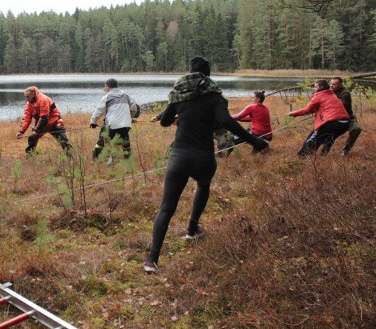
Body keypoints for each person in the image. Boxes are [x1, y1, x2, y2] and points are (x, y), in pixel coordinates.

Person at [143, 56, 268, 274]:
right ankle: (192, 229)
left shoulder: (179, 93)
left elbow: (164, 121)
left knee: (166, 207)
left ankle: (152, 260)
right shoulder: (215, 96)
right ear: (208, 74)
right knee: (203, 186)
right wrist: (254, 140)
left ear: (189, 72)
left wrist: (180, 116)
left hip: (179, 158)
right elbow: (227, 121)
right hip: (203, 157)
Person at [288, 79, 349, 156]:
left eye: (315, 87)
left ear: (321, 87)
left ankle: (301, 157)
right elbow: (326, 107)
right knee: (327, 138)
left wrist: (293, 113)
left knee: (312, 138)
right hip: (345, 124)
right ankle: (321, 158)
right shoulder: (332, 94)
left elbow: (307, 110)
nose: (314, 88)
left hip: (332, 122)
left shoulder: (318, 96)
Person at [90, 78, 139, 160]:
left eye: (105, 86)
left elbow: (98, 111)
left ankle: (96, 159)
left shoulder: (107, 97)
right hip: (125, 125)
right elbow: (134, 108)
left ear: (108, 87)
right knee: (125, 141)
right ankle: (128, 158)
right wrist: (129, 118)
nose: (104, 88)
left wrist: (93, 122)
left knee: (102, 140)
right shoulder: (126, 95)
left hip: (112, 125)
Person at [16, 86, 73, 156]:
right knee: (32, 139)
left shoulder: (43, 100)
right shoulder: (29, 104)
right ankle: (30, 157)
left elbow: (44, 118)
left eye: (27, 97)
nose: (26, 99)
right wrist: (21, 131)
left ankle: (71, 158)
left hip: (54, 121)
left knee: (63, 141)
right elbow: (26, 118)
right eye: (25, 97)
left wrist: (36, 131)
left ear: (33, 94)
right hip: (42, 124)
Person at [225, 90, 273, 155]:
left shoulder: (252, 107)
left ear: (258, 99)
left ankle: (222, 155)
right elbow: (250, 118)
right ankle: (261, 148)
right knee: (255, 156)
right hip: (268, 135)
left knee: (233, 139)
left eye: (253, 97)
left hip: (257, 134)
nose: (251, 99)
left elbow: (238, 116)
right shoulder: (265, 108)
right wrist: (239, 119)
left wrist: (227, 117)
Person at [330, 76, 362, 156]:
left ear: (340, 84)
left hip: (348, 118)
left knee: (356, 129)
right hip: (333, 117)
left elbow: (342, 105)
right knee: (328, 133)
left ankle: (345, 151)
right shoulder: (329, 91)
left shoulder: (345, 93)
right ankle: (323, 152)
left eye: (334, 84)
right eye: (331, 83)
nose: (331, 85)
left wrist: (330, 97)